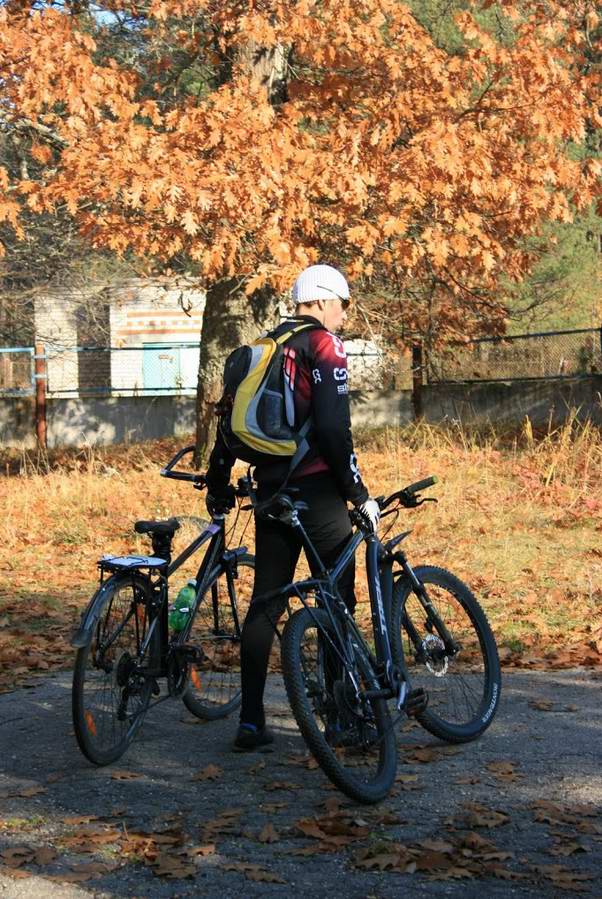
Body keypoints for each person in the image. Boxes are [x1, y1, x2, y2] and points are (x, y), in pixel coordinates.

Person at [205, 263, 380, 751]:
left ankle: (251, 722)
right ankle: (341, 720)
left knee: (266, 604)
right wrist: (357, 493)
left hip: (270, 491)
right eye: (342, 304)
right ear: (322, 300)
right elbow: (332, 428)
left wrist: (218, 481)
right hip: (318, 491)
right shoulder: (324, 345)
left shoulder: (262, 347)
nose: (344, 314)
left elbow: (227, 423)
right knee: (335, 600)